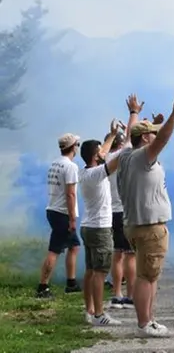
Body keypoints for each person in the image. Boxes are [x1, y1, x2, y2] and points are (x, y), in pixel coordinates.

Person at [117, 93, 174, 338]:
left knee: (149, 275)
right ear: (145, 138)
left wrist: (134, 113)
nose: (156, 136)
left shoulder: (125, 155)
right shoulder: (143, 157)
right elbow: (163, 139)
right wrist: (173, 116)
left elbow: (130, 135)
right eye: (151, 133)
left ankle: (150, 320)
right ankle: (145, 323)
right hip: (149, 227)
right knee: (146, 277)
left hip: (135, 225)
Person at [78, 120, 125, 326]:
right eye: (100, 151)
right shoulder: (97, 173)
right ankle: (99, 315)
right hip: (99, 229)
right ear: (95, 156)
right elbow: (119, 157)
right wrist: (133, 136)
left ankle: (89, 311)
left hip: (88, 226)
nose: (103, 152)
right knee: (99, 272)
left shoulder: (86, 171)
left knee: (90, 271)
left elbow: (106, 151)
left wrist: (112, 136)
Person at [36, 133, 83, 298]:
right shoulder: (71, 167)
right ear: (73, 147)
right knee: (54, 250)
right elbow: (71, 194)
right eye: (77, 144)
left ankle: (71, 283)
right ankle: (43, 287)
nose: (78, 146)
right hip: (62, 213)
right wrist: (72, 218)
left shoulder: (55, 163)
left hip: (53, 209)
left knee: (74, 246)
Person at [107, 130, 136, 309]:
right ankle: (131, 295)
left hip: (111, 211)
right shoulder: (124, 157)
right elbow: (131, 142)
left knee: (117, 255)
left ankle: (117, 294)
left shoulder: (105, 159)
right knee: (130, 256)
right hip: (125, 210)